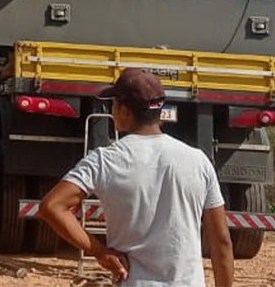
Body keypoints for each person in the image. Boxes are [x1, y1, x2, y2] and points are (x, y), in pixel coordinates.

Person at [37, 67, 234, 287]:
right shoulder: (198, 161)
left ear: (123, 111)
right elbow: (221, 241)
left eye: (113, 104)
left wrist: (99, 252)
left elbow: (51, 206)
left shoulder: (104, 160)